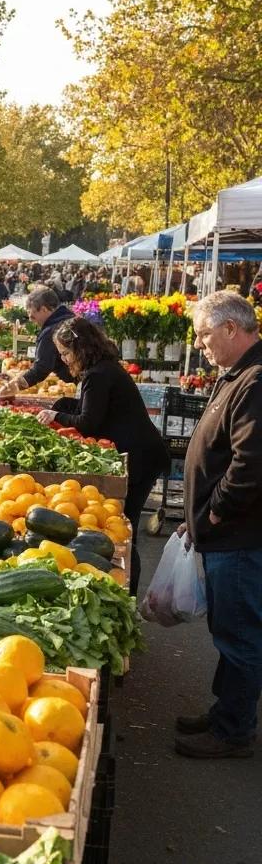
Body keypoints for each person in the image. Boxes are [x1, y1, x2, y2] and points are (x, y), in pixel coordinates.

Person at [175, 291, 262, 758]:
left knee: (240, 634)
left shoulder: (255, 381)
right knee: (229, 629)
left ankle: (234, 731)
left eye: (205, 335)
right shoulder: (237, 375)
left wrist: (214, 511)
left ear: (232, 329)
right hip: (226, 535)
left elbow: (251, 462)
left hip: (240, 537)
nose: (200, 344)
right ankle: (226, 710)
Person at [34, 318, 168, 593]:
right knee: (123, 526)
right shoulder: (102, 370)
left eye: (66, 353)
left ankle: (129, 594)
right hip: (140, 451)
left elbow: (88, 423)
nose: (64, 360)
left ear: (81, 349)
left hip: (140, 457)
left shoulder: (97, 375)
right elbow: (93, 408)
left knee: (124, 528)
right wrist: (61, 404)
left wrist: (56, 414)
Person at [0, 285, 76, 397]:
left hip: (71, 386)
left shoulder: (51, 331)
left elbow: (41, 367)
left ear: (44, 309)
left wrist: (17, 385)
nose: (31, 320)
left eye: (33, 316)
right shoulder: (71, 319)